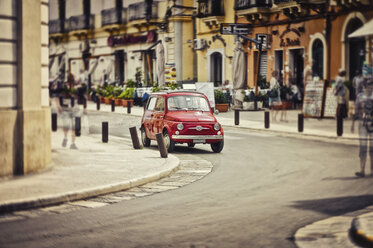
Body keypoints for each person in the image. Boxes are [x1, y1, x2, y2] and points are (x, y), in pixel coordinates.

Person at [351, 78, 373, 177]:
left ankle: (372, 170)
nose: (369, 88)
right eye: (367, 86)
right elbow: (356, 111)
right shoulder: (359, 97)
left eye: (370, 85)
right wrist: (352, 124)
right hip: (362, 125)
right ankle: (362, 170)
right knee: (362, 147)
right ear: (364, 87)